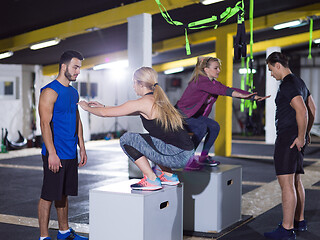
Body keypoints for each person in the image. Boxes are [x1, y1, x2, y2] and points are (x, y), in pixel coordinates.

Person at [78, 67, 194, 191]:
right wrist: (105, 106)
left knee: (127, 139)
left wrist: (86, 107)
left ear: (140, 84)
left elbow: (105, 113)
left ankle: (151, 179)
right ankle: (169, 176)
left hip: (177, 155)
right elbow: (124, 111)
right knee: (153, 140)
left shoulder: (143, 102)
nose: (133, 86)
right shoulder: (158, 100)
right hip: (187, 153)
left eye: (134, 82)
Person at [176, 56, 269, 167]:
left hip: (194, 115)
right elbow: (224, 91)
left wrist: (251, 96)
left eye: (219, 68)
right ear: (206, 70)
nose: (219, 70)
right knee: (201, 127)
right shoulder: (201, 81)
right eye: (216, 68)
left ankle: (203, 157)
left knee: (214, 126)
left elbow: (230, 89)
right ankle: (188, 158)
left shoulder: (214, 83)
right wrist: (243, 96)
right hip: (181, 114)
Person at [264, 52, 316, 240]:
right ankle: (298, 221)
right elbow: (312, 108)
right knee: (295, 181)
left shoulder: (287, 84)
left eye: (271, 70)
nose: (271, 74)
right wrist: (305, 133)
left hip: (288, 139)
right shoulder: (299, 82)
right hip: (295, 138)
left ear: (278, 65)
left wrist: (301, 136)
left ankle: (286, 229)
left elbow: (302, 110)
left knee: (286, 184)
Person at [38, 50, 88, 240]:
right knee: (48, 194)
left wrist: (81, 146)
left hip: (70, 152)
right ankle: (44, 237)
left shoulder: (73, 92)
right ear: (64, 66)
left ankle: (64, 232)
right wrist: (51, 152)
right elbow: (44, 124)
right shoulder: (49, 91)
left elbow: (77, 119)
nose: (78, 72)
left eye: (79, 68)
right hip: (55, 152)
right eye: (75, 67)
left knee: (64, 193)